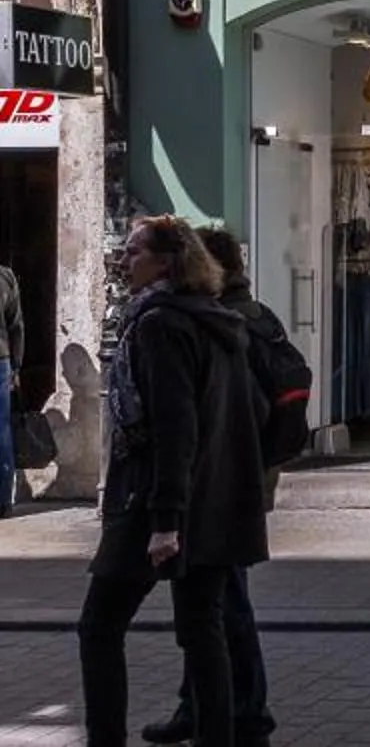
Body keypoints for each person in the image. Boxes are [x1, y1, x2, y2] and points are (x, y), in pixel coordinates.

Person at [77, 217, 269, 747]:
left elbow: (174, 425)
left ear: (167, 261)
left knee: (99, 627)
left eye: (134, 251)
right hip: (215, 501)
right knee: (203, 632)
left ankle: (105, 739)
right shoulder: (216, 319)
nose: (124, 259)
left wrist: (165, 521)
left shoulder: (161, 324)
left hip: (158, 502)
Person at [141, 231, 285, 745]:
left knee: (225, 608)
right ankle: (204, 706)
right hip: (239, 476)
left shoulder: (216, 322)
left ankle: (240, 711)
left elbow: (201, 416)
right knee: (214, 607)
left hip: (223, 479)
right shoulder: (244, 316)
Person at [0, 252, 22, 515]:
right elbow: (16, 324)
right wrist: (16, 365)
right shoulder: (5, 276)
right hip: (2, 360)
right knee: (2, 431)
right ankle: (3, 500)